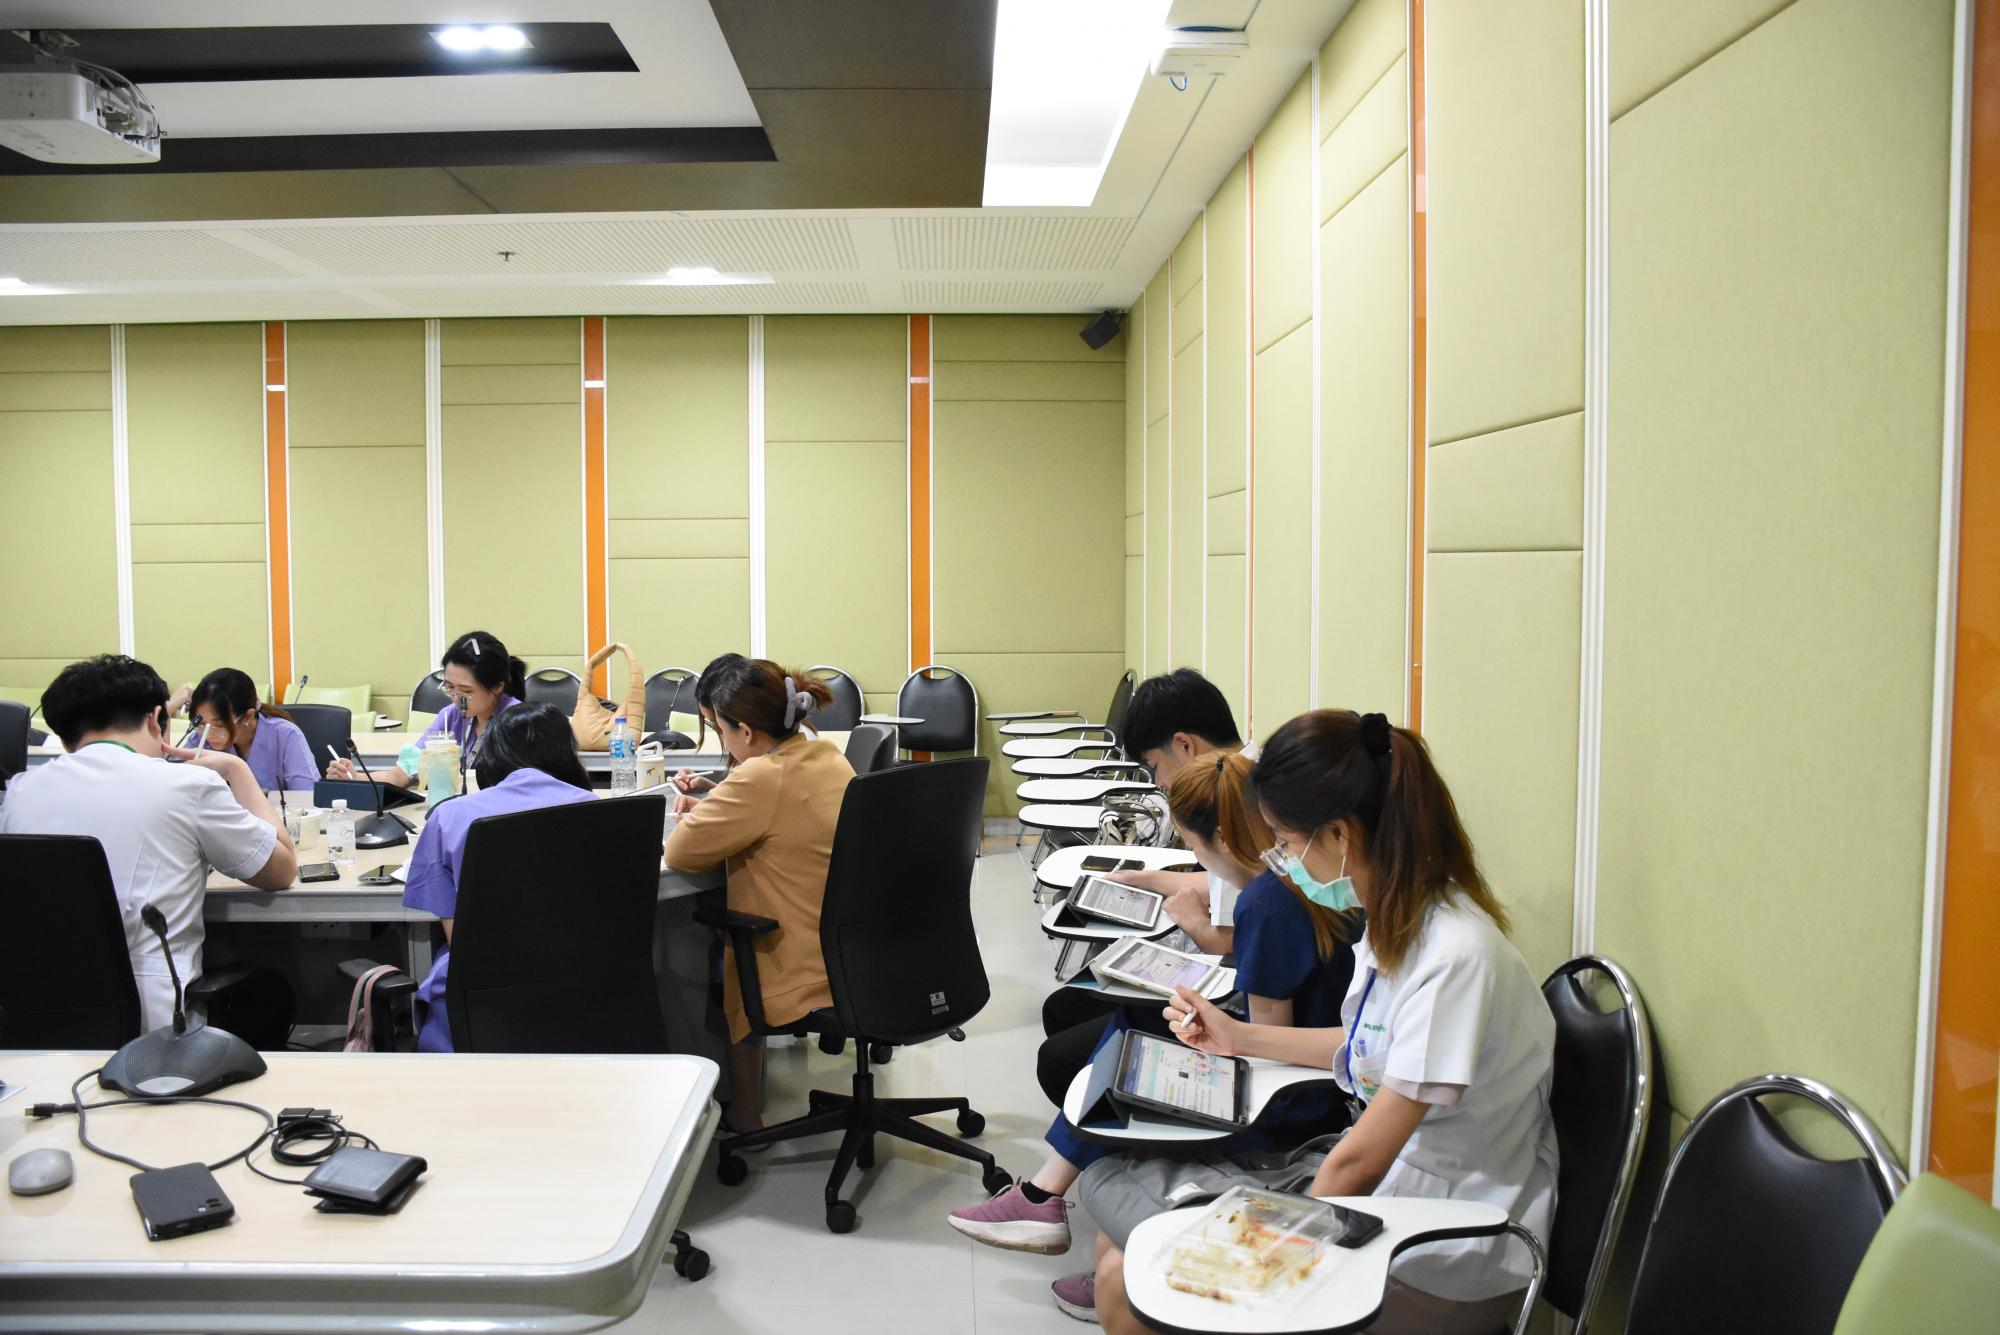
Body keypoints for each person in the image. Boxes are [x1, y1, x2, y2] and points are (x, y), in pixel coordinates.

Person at [1078, 710, 1559, 1333]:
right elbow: (1373, 1048)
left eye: (1283, 841)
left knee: (1124, 1279)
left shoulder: (1455, 959)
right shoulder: (1402, 921)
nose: (1279, 860)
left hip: (1445, 1247)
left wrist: (1274, 1254)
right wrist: (1236, 1036)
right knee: (1116, 1239)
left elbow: (1358, 1165)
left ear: (1339, 835)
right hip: (1388, 1191)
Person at [949, 750, 1359, 1258]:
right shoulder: (1294, 884)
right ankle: (1041, 1197)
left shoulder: (1268, 905)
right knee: (1134, 1020)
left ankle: (1042, 1198)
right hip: (1314, 1069)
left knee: (1136, 1051)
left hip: (1294, 1101)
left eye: (1194, 848)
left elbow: (1266, 1041)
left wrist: (1208, 1029)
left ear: (1221, 841)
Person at [0, 655, 298, 1032]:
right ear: (157, 719)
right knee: (272, 993)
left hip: (32, 1019)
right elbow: (281, 870)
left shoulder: (20, 792)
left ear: (64, 736)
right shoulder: (186, 786)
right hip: (153, 1025)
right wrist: (236, 769)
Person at [664, 659, 854, 1134]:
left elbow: (681, 852)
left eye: (721, 731)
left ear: (745, 732)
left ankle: (745, 1112)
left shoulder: (759, 778)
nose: (723, 741)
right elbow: (782, 811)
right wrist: (720, 799)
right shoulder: (825, 754)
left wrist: (709, 809)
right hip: (852, 946)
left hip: (799, 958)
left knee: (721, 950)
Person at [398, 702, 595, 1053]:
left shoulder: (451, 816)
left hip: (482, 1003)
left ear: (492, 753)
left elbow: (460, 941)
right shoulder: (601, 809)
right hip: (591, 989)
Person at [327, 630, 524, 786]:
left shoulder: (519, 722)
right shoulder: (450, 717)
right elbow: (400, 775)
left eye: (466, 691)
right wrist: (354, 777)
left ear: (497, 686)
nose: (456, 698)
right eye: (449, 687)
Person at [183, 667, 318, 792]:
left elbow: (307, 795)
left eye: (219, 725)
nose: (209, 734)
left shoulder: (286, 735)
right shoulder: (200, 739)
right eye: (201, 724)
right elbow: (179, 785)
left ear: (248, 716)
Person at [671, 651, 747, 797]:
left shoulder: (763, 769)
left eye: (718, 726)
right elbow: (741, 800)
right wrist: (708, 788)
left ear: (745, 729)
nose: (723, 738)